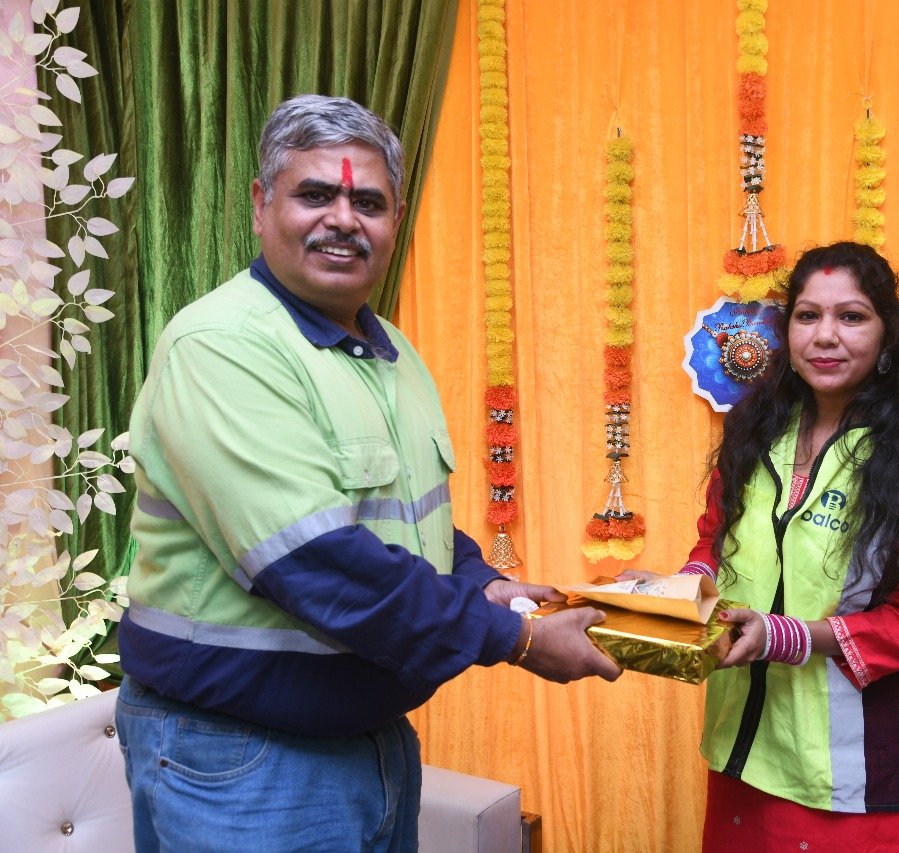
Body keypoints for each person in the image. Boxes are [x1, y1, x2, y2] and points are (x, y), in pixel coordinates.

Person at [114, 95, 621, 852]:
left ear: (396, 218)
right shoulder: (223, 345)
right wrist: (511, 637)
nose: (344, 219)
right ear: (260, 205)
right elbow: (316, 562)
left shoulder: (392, 353)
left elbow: (403, 519)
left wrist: (481, 581)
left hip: (373, 743)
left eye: (369, 203)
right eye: (315, 194)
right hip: (241, 760)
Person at [631, 241, 899, 851]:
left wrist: (786, 637)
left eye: (851, 316)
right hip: (747, 745)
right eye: (807, 315)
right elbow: (715, 539)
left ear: (888, 336)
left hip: (863, 770)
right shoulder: (753, 431)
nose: (825, 336)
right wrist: (672, 594)